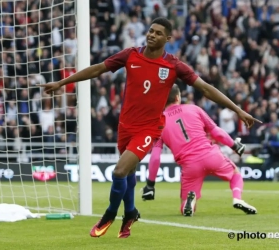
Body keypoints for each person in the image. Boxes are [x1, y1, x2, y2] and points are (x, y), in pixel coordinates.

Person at [39, 17, 261, 238]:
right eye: (151, 31)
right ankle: (131, 213)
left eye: (157, 33)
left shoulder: (173, 65)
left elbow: (206, 89)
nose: (152, 35)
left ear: (168, 38)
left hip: (148, 129)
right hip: (125, 125)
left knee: (119, 171)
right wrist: (61, 83)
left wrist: (238, 110)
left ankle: (109, 214)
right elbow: (98, 69)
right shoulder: (130, 55)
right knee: (128, 174)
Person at [141, 84, 257, 216]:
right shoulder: (194, 109)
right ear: (178, 97)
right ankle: (237, 198)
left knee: (185, 206)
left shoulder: (158, 123)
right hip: (211, 155)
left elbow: (155, 157)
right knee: (235, 173)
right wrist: (234, 145)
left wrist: (150, 184)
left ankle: (189, 201)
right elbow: (216, 132)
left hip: (190, 166)